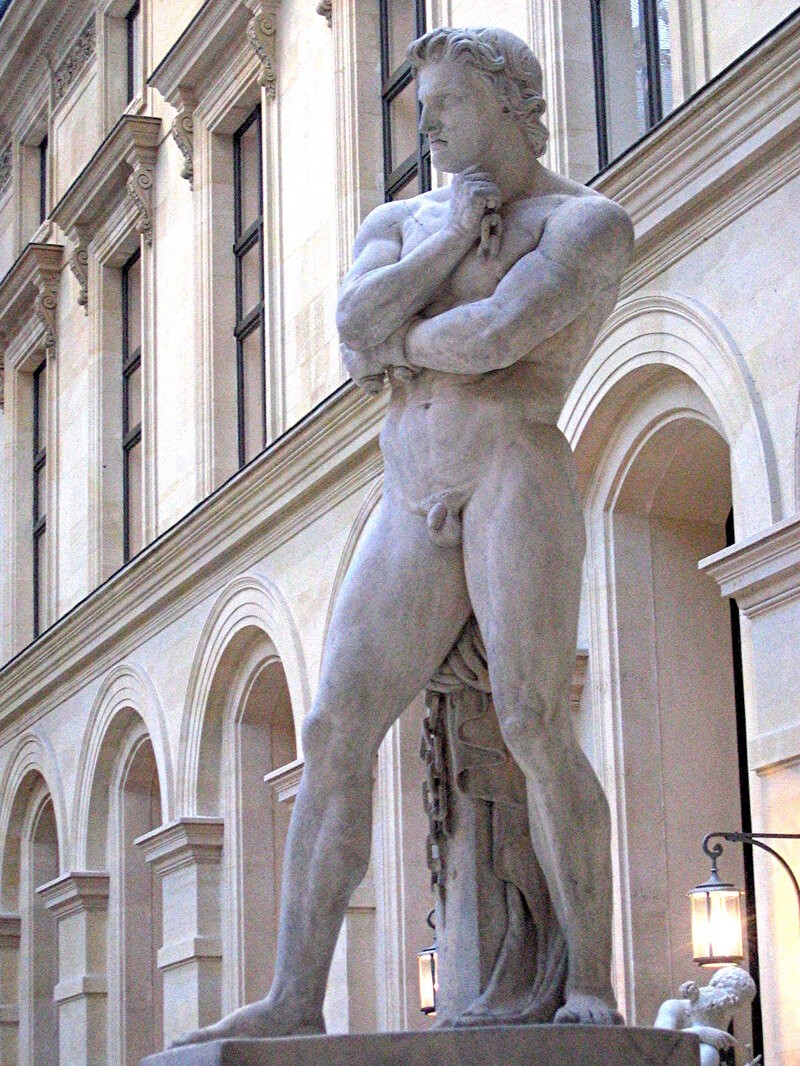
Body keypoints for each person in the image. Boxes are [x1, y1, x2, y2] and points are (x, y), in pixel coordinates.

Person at [175, 25, 633, 1045]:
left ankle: (589, 980)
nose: (426, 126)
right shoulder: (400, 221)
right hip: (409, 490)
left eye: (446, 104)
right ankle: (295, 993)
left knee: (532, 720)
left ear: (510, 101)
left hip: (512, 472)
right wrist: (442, 248)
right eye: (420, 108)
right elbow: (350, 331)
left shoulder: (585, 222)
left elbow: (498, 335)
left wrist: (401, 340)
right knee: (334, 728)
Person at [654, 966, 760, 1066]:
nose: (734, 1009)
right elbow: (659, 1043)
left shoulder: (721, 1015)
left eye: (738, 1005)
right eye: (734, 1002)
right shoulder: (673, 1006)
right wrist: (699, 1032)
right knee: (709, 1052)